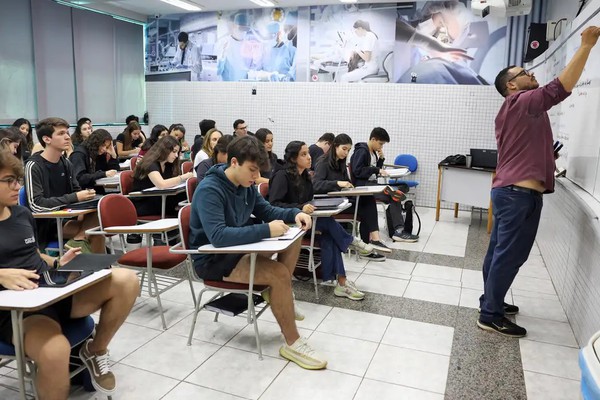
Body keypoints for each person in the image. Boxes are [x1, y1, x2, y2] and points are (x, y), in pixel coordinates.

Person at [478, 26, 600, 338]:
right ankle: (490, 314)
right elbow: (561, 88)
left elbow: (528, 149)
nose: (532, 75)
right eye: (525, 72)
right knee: (509, 255)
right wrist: (586, 45)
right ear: (511, 85)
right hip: (518, 194)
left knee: (499, 252)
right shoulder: (521, 102)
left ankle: (491, 301)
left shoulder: (520, 110)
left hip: (513, 191)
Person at [0, 149, 139, 398]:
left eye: (17, 180)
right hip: (16, 311)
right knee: (55, 351)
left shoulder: (20, 213)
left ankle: (95, 350)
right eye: (9, 181)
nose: (16, 187)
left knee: (126, 280)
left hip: (50, 288)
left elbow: (33, 252)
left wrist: (55, 262)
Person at [189, 135, 327, 370]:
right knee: (279, 275)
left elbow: (267, 209)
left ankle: (281, 294)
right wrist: (266, 229)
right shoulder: (209, 189)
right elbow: (219, 237)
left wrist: (294, 214)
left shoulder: (246, 186)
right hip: (214, 259)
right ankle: (292, 342)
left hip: (239, 249)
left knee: (294, 237)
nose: (256, 177)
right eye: (252, 170)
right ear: (234, 162)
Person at [269, 140, 375, 298]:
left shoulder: (305, 176)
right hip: (289, 224)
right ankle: (351, 242)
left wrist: (310, 207)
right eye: (304, 154)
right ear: (292, 159)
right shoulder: (281, 176)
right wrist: (299, 208)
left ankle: (342, 282)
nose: (309, 157)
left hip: (306, 221)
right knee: (328, 224)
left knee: (330, 236)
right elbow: (274, 206)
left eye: (308, 153)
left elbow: (309, 201)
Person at [24, 117, 105, 253]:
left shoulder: (66, 163)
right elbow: (36, 205)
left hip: (70, 217)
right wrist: (75, 197)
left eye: (67, 133)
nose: (67, 137)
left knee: (101, 208)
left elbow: (76, 191)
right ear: (47, 139)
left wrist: (86, 197)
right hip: (48, 224)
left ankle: (81, 253)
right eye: (61, 134)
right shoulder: (33, 166)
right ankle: (97, 269)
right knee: (95, 232)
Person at [313, 133, 390, 259]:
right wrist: (337, 183)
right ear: (335, 147)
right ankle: (370, 244)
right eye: (344, 149)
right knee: (366, 206)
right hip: (329, 203)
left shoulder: (341, 163)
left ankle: (370, 243)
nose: (346, 153)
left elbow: (346, 183)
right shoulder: (323, 162)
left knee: (367, 202)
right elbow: (316, 185)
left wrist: (350, 187)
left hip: (341, 200)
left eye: (348, 150)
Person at [350, 127, 419, 242]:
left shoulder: (372, 153)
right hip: (364, 186)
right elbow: (358, 171)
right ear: (373, 139)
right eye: (380, 144)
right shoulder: (362, 151)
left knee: (398, 191)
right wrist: (376, 169)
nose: (381, 147)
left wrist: (381, 159)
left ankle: (398, 229)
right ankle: (398, 231)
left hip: (371, 184)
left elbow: (374, 170)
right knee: (394, 194)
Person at [131, 135, 192, 217]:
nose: (176, 155)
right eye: (174, 151)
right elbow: (162, 184)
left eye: (177, 152)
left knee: (187, 195)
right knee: (183, 202)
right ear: (164, 150)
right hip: (144, 202)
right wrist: (183, 177)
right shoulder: (150, 164)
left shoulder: (168, 165)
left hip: (160, 198)